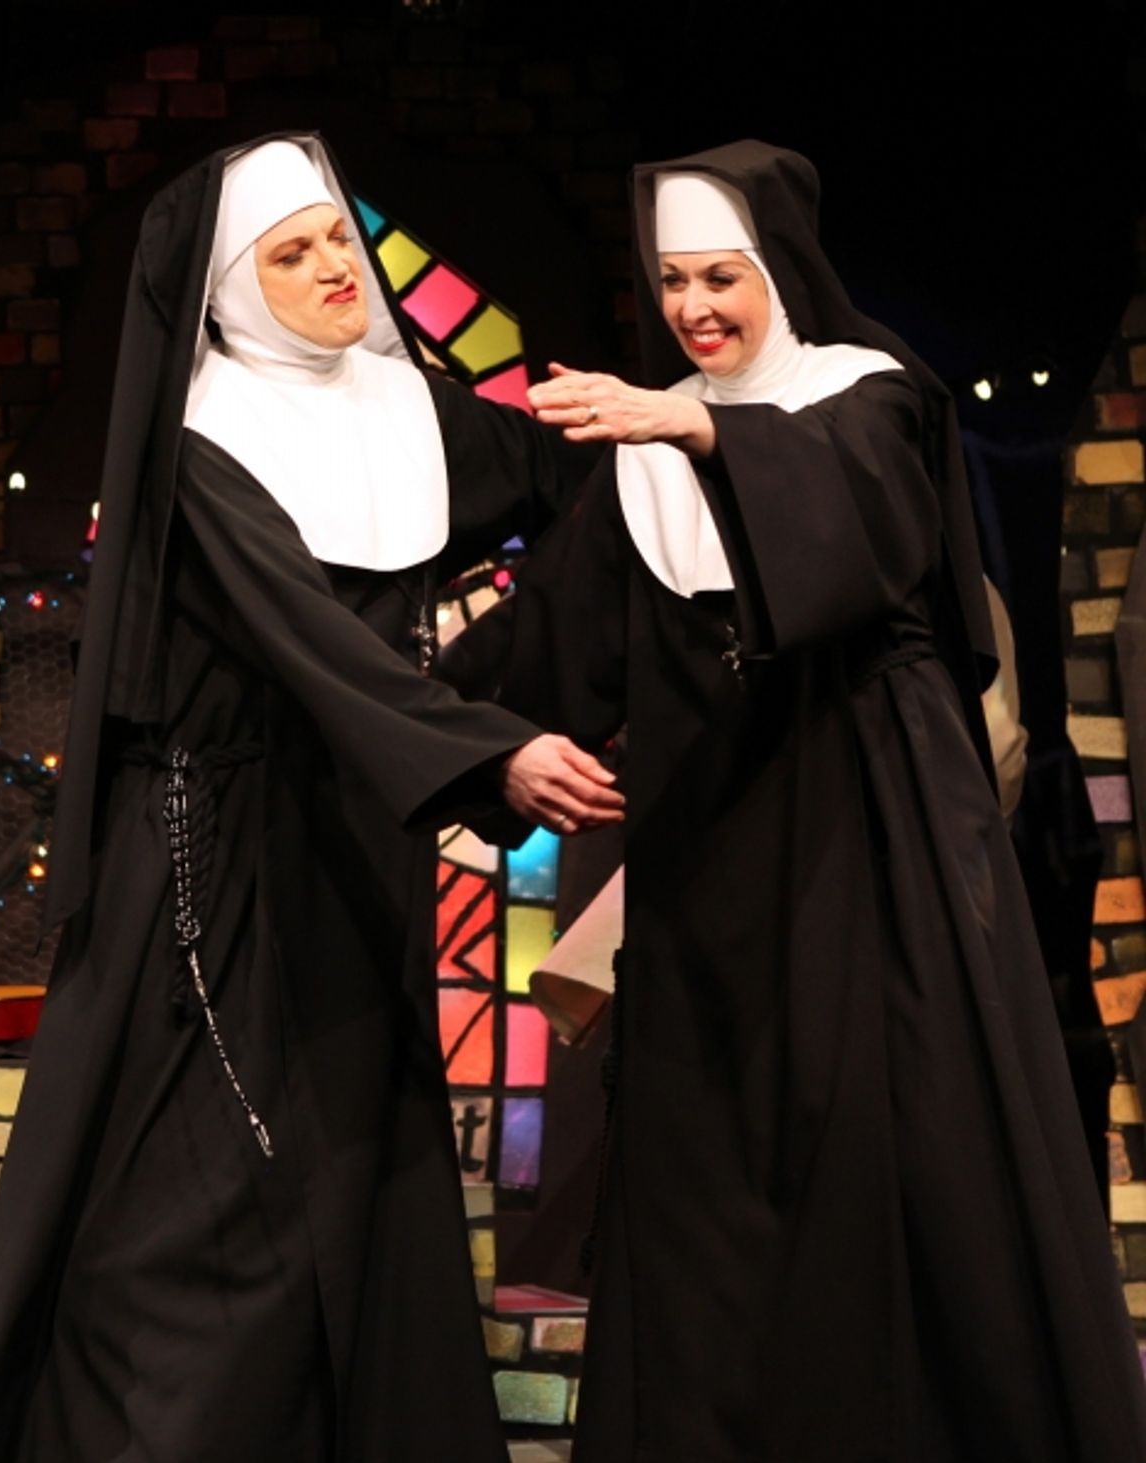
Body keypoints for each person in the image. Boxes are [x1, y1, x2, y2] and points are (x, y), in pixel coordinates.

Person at [0, 133, 623, 1462]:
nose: (332, 272)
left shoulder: (407, 412)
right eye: (291, 254)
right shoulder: (206, 440)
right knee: (209, 1204)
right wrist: (483, 749)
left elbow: (581, 496)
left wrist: (672, 432)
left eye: (335, 242)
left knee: (360, 1176)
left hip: (351, 841)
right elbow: (303, 641)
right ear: (226, 291)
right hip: (205, 864)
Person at [486, 141, 1146, 1461]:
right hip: (708, 874)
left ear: (781, 267)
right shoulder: (645, 443)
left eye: (721, 275)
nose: (695, 311)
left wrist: (700, 425)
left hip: (871, 847)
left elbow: (855, 516)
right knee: (707, 1199)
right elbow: (551, 644)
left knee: (891, 1170)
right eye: (671, 282)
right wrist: (479, 746)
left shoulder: (871, 394)